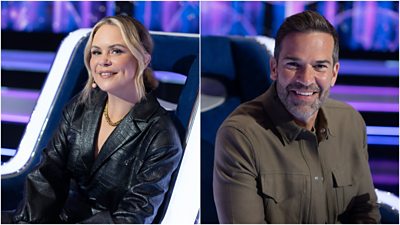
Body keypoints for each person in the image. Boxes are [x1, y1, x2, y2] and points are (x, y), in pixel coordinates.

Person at [10, 15, 182, 223]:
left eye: (116, 51)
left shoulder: (161, 135)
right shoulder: (80, 107)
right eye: (96, 52)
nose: (103, 61)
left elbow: (133, 216)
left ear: (143, 59)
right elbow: (47, 175)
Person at [213, 10, 380, 223]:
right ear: (274, 68)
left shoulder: (351, 122)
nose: (305, 79)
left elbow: (365, 212)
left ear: (334, 74)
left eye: (319, 66)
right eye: (293, 64)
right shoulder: (240, 135)